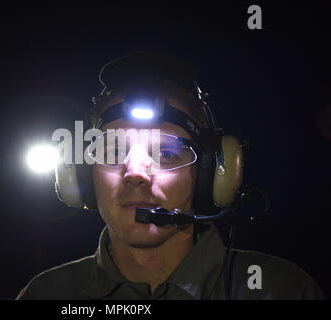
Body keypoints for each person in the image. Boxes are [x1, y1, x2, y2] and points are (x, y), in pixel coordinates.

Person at [17, 51, 325, 300]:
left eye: (164, 154)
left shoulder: (281, 291)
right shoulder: (45, 294)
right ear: (82, 173)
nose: (135, 173)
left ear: (209, 173)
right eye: (112, 152)